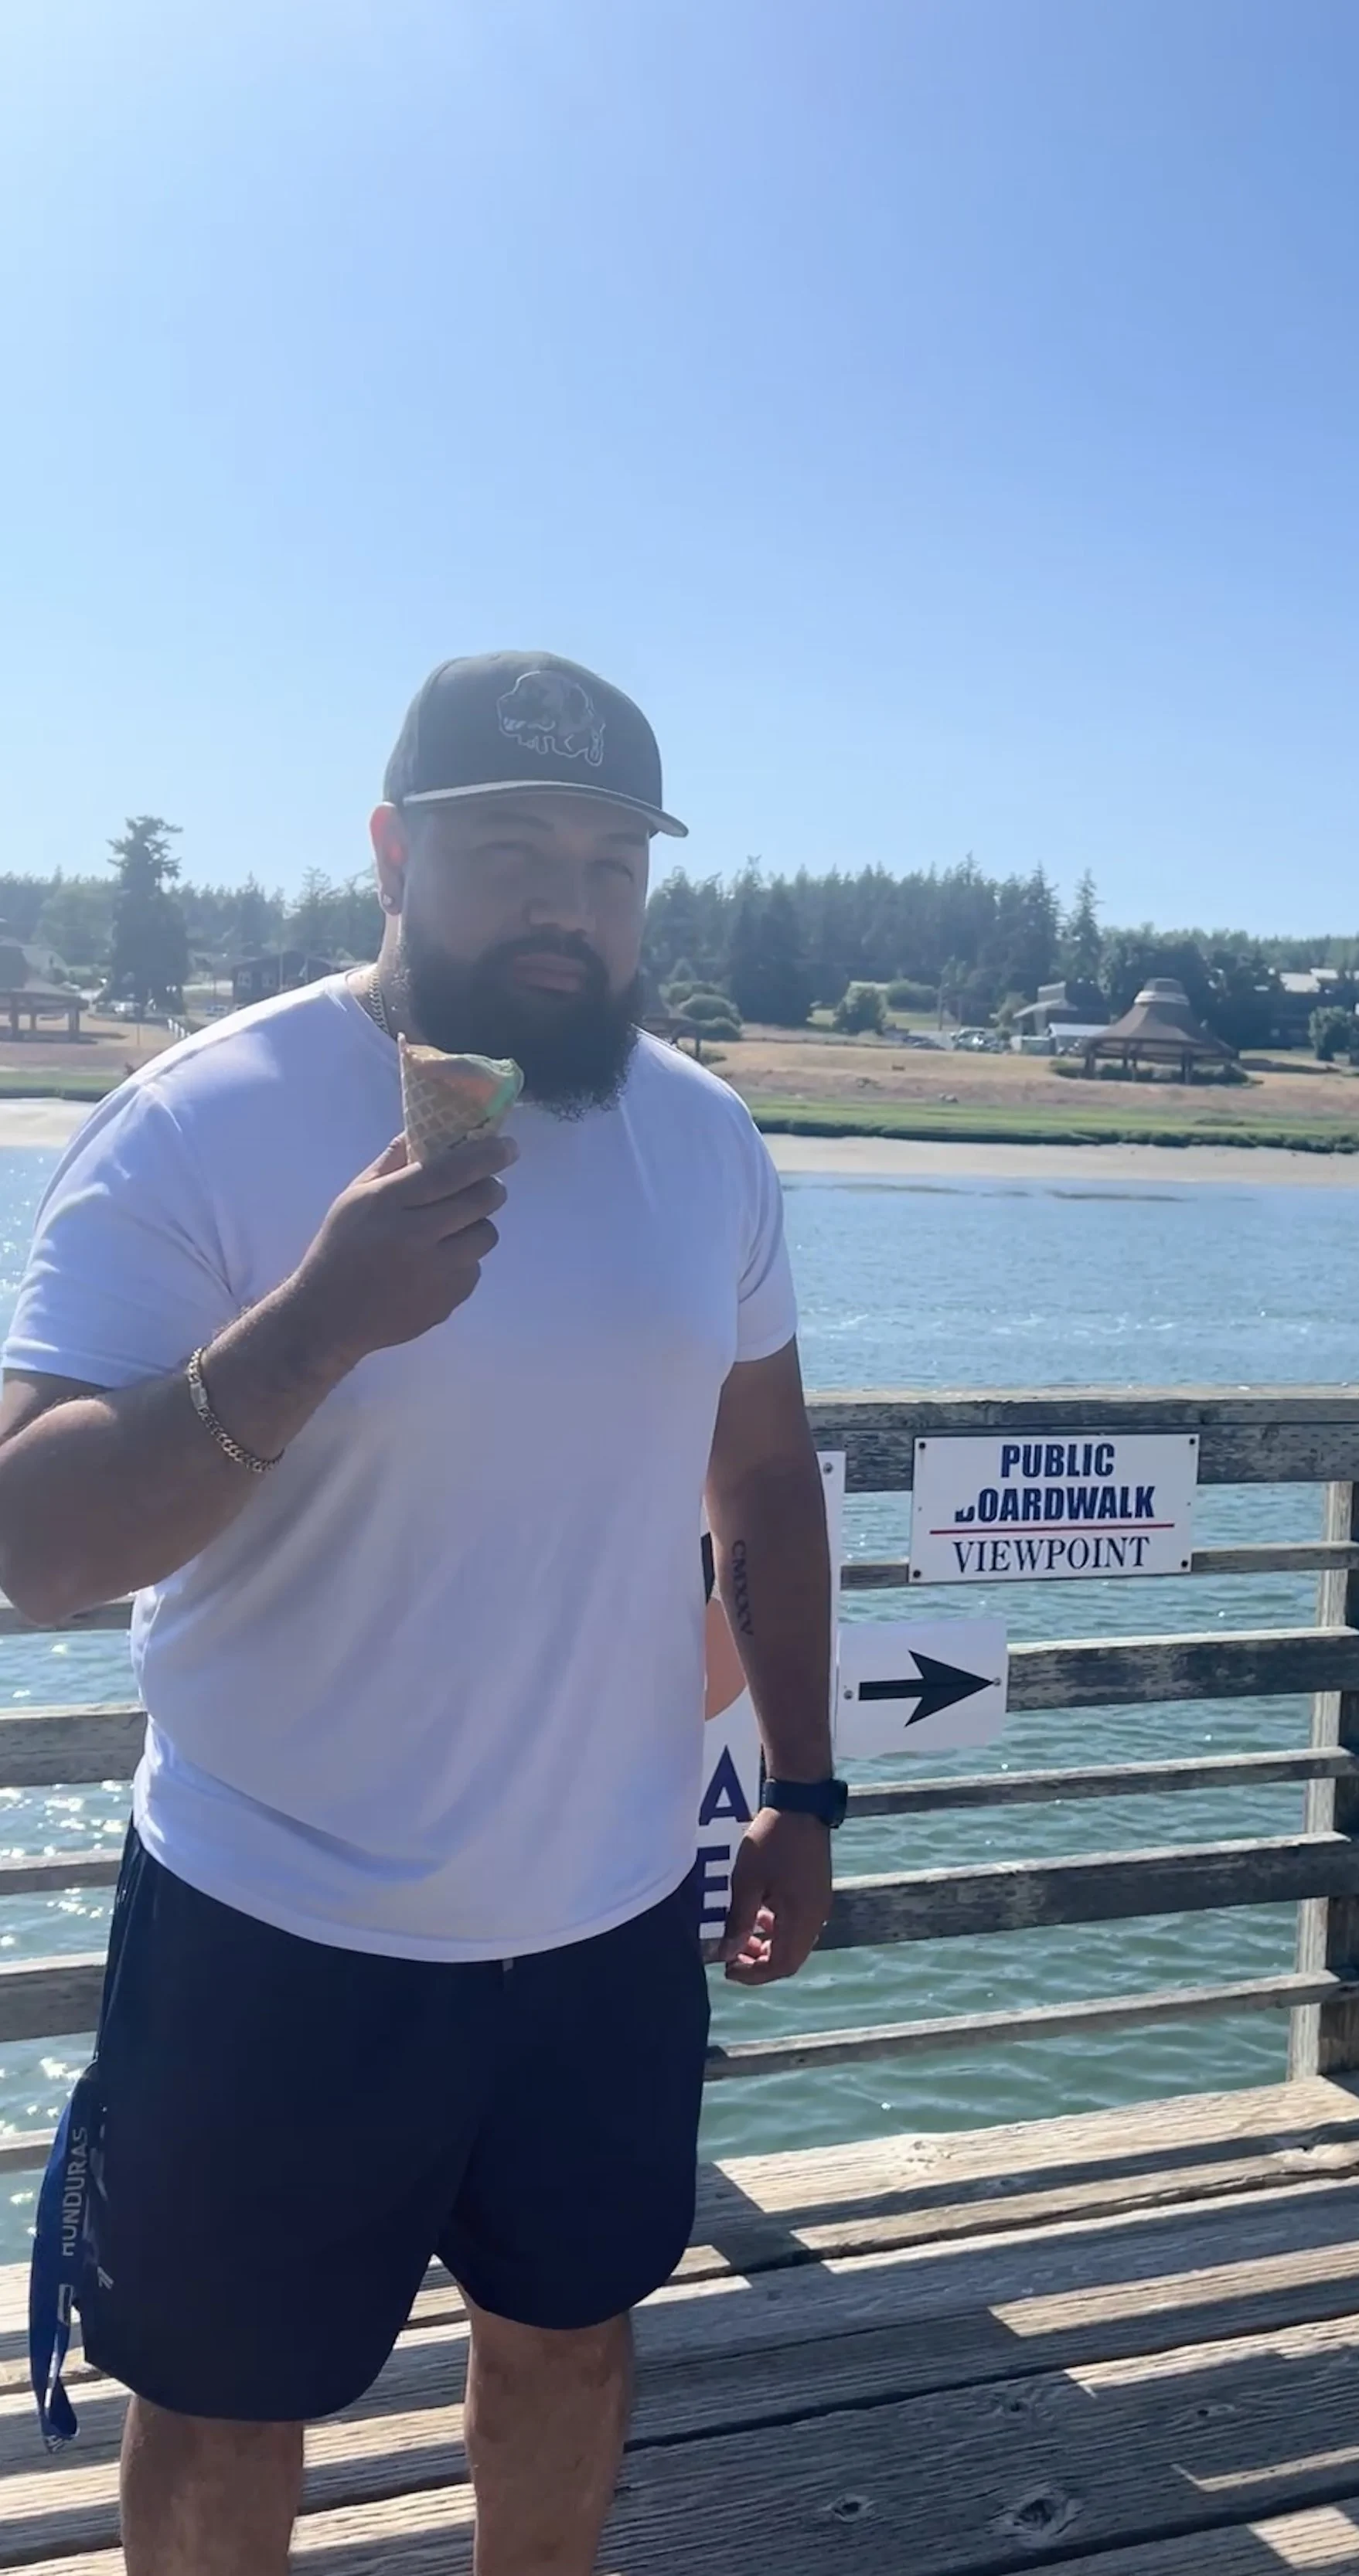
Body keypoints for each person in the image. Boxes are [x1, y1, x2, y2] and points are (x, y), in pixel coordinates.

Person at [0, 652, 845, 2576]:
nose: (568, 901)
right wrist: (310, 1326)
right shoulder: (201, 1122)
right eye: (512, 848)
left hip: (610, 1917)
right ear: (391, 852)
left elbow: (765, 1483)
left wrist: (805, 1784)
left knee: (568, 2348)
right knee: (220, 2417)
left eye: (612, 861)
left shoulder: (700, 1137)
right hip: (272, 1916)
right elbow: (31, 1547)